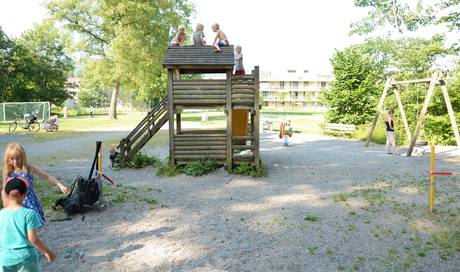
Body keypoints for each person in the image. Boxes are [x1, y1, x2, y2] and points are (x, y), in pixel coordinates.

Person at [2, 143, 69, 226]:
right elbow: (4, 189)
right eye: (12, 159)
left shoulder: (29, 169)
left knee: (31, 225)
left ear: (22, 157)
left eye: (17, 158)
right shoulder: (7, 172)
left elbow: (46, 176)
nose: (15, 161)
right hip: (15, 203)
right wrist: (5, 202)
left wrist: (60, 185)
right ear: (8, 159)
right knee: (18, 225)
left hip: (30, 202)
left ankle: (31, 238)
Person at [0, 176, 56, 271]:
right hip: (26, 258)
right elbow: (32, 238)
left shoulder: (1, 214)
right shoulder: (29, 213)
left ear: (6, 194)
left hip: (6, 259)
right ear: (25, 194)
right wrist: (47, 252)